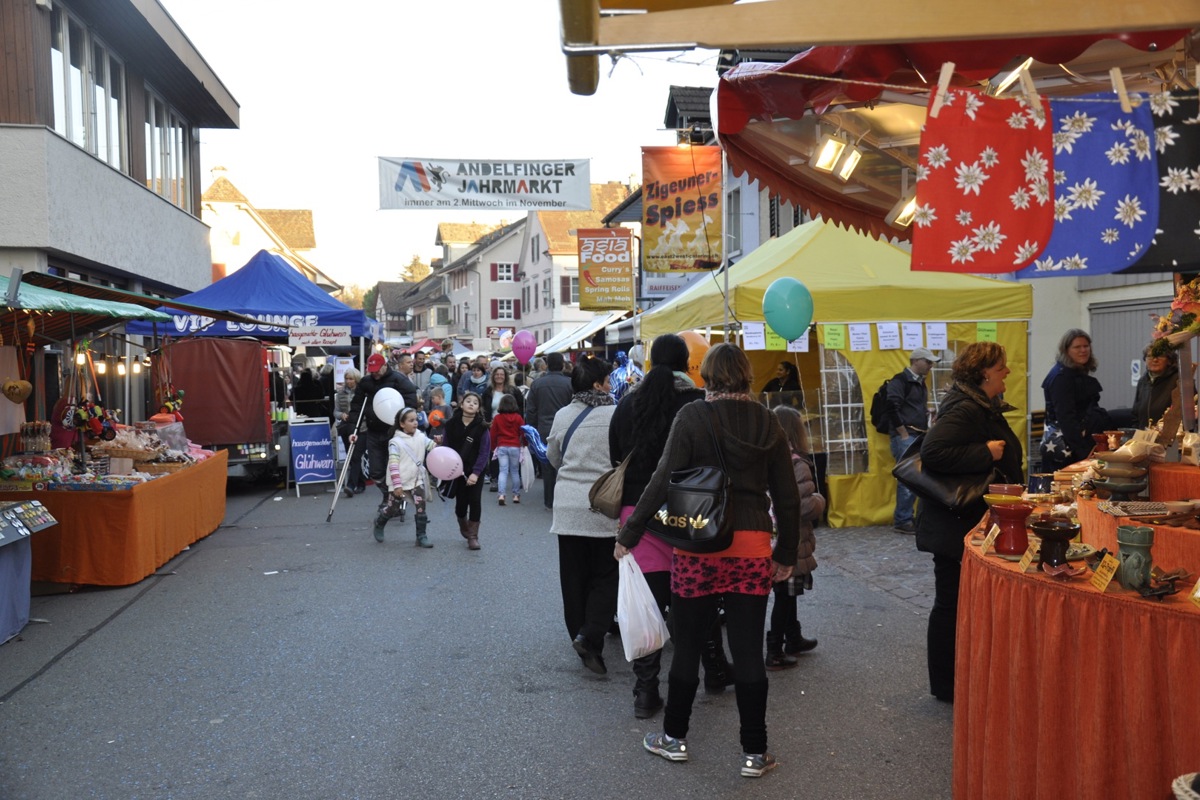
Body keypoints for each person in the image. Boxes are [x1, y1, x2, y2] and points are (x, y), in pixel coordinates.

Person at [615, 343, 801, 779]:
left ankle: (674, 738)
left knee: (689, 643)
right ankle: (754, 752)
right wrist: (786, 552)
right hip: (752, 545)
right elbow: (787, 495)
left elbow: (662, 478)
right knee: (748, 648)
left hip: (699, 545)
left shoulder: (693, 416)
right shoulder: (768, 421)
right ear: (747, 375)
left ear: (708, 375)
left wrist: (630, 532)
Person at [916, 342, 1023, 704]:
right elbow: (933, 451)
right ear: (984, 372)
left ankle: (957, 679)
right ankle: (946, 685)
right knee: (950, 602)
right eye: (1001, 366)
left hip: (960, 521)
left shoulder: (978, 404)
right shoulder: (966, 407)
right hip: (954, 523)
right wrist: (985, 452)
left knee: (955, 601)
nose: (1007, 371)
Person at [609, 333, 708, 718]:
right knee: (693, 599)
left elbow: (616, 455)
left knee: (645, 605)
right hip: (689, 510)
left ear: (650, 362)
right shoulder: (697, 403)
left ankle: (645, 691)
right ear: (687, 363)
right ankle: (710, 671)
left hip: (637, 513)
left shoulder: (628, 404)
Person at [547, 355, 619, 676]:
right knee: (607, 575)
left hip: (567, 508)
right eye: (608, 380)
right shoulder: (616, 414)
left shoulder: (563, 415)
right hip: (604, 505)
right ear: (597, 384)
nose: (611, 385)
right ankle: (590, 636)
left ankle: (581, 636)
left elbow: (553, 457)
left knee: (573, 579)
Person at [765, 405, 825, 670]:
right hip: (791, 539)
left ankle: (793, 638)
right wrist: (820, 500)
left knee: (786, 593)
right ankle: (775, 650)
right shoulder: (796, 463)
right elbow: (804, 506)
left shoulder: (766, 456)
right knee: (785, 596)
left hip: (771, 537)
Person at [885, 347, 940, 534]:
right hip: (907, 435)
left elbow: (905, 406)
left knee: (912, 478)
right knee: (908, 478)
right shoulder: (900, 381)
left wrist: (926, 411)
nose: (931, 365)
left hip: (915, 434)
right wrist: (903, 433)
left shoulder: (918, 382)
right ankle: (903, 519)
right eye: (928, 361)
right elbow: (891, 407)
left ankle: (906, 517)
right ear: (916, 361)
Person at [348, 353, 414, 509]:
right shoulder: (365, 382)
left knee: (393, 468)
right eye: (372, 371)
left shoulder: (398, 380)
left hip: (394, 431)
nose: (375, 373)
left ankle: (393, 500)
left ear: (385, 365)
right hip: (373, 430)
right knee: (375, 471)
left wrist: (406, 422)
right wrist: (353, 429)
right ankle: (389, 495)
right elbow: (356, 407)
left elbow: (411, 400)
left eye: (377, 369)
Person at [1040, 329, 1110, 471]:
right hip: (1069, 448)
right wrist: (1083, 453)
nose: (1083, 350)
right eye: (1077, 347)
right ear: (1066, 350)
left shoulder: (1074, 372)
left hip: (1079, 442)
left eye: (1086, 346)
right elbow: (1066, 418)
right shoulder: (1061, 378)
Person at [372, 407, 437, 547]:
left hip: (416, 480)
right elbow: (393, 465)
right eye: (411, 420)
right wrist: (397, 485)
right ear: (402, 424)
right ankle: (380, 522)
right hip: (400, 482)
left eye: (416, 420)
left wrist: (439, 442)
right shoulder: (395, 442)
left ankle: (421, 536)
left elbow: (432, 446)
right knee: (393, 508)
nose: (415, 423)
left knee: (421, 507)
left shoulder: (420, 436)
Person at [441, 391, 490, 550]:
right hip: (457, 470)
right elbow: (446, 448)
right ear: (461, 404)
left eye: (475, 402)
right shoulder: (450, 425)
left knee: (475, 500)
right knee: (461, 504)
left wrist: (476, 473)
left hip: (476, 470)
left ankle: (473, 536)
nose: (471, 404)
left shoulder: (482, 427)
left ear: (478, 408)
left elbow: (484, 452)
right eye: (468, 401)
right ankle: (463, 522)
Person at [526, 352, 573, 509]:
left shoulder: (537, 384)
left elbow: (531, 410)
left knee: (547, 465)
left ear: (546, 365)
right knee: (566, 463)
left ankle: (549, 500)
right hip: (566, 427)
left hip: (544, 428)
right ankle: (564, 497)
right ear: (562, 365)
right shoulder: (570, 383)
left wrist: (532, 429)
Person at [482, 365, 525, 491]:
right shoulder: (488, 392)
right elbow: (483, 408)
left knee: (515, 452)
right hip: (494, 425)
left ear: (505, 376)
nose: (499, 376)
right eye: (497, 374)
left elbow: (521, 406)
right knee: (493, 452)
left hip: (512, 425)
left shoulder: (513, 391)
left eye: (501, 374)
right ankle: (494, 479)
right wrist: (486, 422)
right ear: (493, 376)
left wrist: (519, 422)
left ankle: (517, 478)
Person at [1132, 345, 1181, 429]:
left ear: (1169, 360)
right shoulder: (1142, 381)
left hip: (1170, 434)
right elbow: (1136, 413)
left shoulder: (1179, 380)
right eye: (1150, 356)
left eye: (1160, 356)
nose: (1155, 360)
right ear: (1145, 360)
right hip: (1144, 434)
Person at [491, 393, 526, 505]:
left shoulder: (497, 418)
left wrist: (493, 447)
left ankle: (501, 494)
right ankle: (516, 495)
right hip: (515, 446)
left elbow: (493, 434)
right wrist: (525, 444)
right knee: (515, 471)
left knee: (503, 471)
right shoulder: (518, 418)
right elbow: (523, 433)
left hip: (502, 446)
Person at [335, 369, 365, 495]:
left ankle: (351, 485)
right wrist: (341, 415)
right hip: (346, 428)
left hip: (362, 428)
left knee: (356, 455)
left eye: (351, 379)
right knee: (351, 457)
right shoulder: (340, 393)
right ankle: (361, 483)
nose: (348, 381)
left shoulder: (363, 392)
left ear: (356, 379)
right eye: (346, 378)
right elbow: (335, 411)